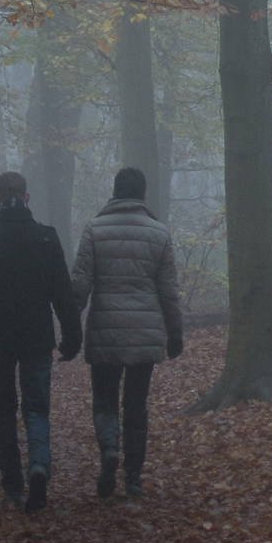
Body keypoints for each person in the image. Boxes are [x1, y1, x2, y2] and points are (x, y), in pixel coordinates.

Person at [0, 172, 81, 512]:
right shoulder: (45, 238)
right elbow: (63, 295)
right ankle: (39, 465)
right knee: (37, 409)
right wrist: (72, 336)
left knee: (5, 411)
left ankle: (12, 484)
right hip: (37, 339)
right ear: (27, 197)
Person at [70, 166, 184, 501]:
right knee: (136, 404)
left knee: (105, 401)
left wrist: (70, 325)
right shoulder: (159, 234)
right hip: (145, 334)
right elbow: (169, 292)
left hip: (106, 331)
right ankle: (133, 478)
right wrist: (175, 334)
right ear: (143, 194)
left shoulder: (94, 230)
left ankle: (109, 448)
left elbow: (79, 285)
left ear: (115, 192)